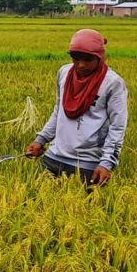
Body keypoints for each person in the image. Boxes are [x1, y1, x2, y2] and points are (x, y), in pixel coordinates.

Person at [26, 29, 128, 187]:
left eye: (88, 59)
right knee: (32, 199)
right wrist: (41, 139)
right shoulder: (64, 73)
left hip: (88, 163)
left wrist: (106, 163)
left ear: (100, 57)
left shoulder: (113, 83)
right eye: (75, 58)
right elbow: (58, 111)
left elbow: (117, 127)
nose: (81, 65)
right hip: (55, 156)